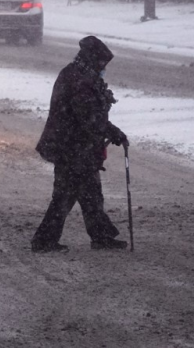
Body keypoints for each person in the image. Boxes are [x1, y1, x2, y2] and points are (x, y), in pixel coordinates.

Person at [31, 36, 129, 253]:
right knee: (65, 195)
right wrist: (112, 131)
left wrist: (110, 130)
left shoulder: (79, 74)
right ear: (93, 59)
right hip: (70, 147)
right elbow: (88, 117)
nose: (103, 68)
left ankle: (101, 236)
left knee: (90, 192)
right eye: (102, 64)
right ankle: (44, 240)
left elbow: (91, 117)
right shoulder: (79, 80)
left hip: (76, 146)